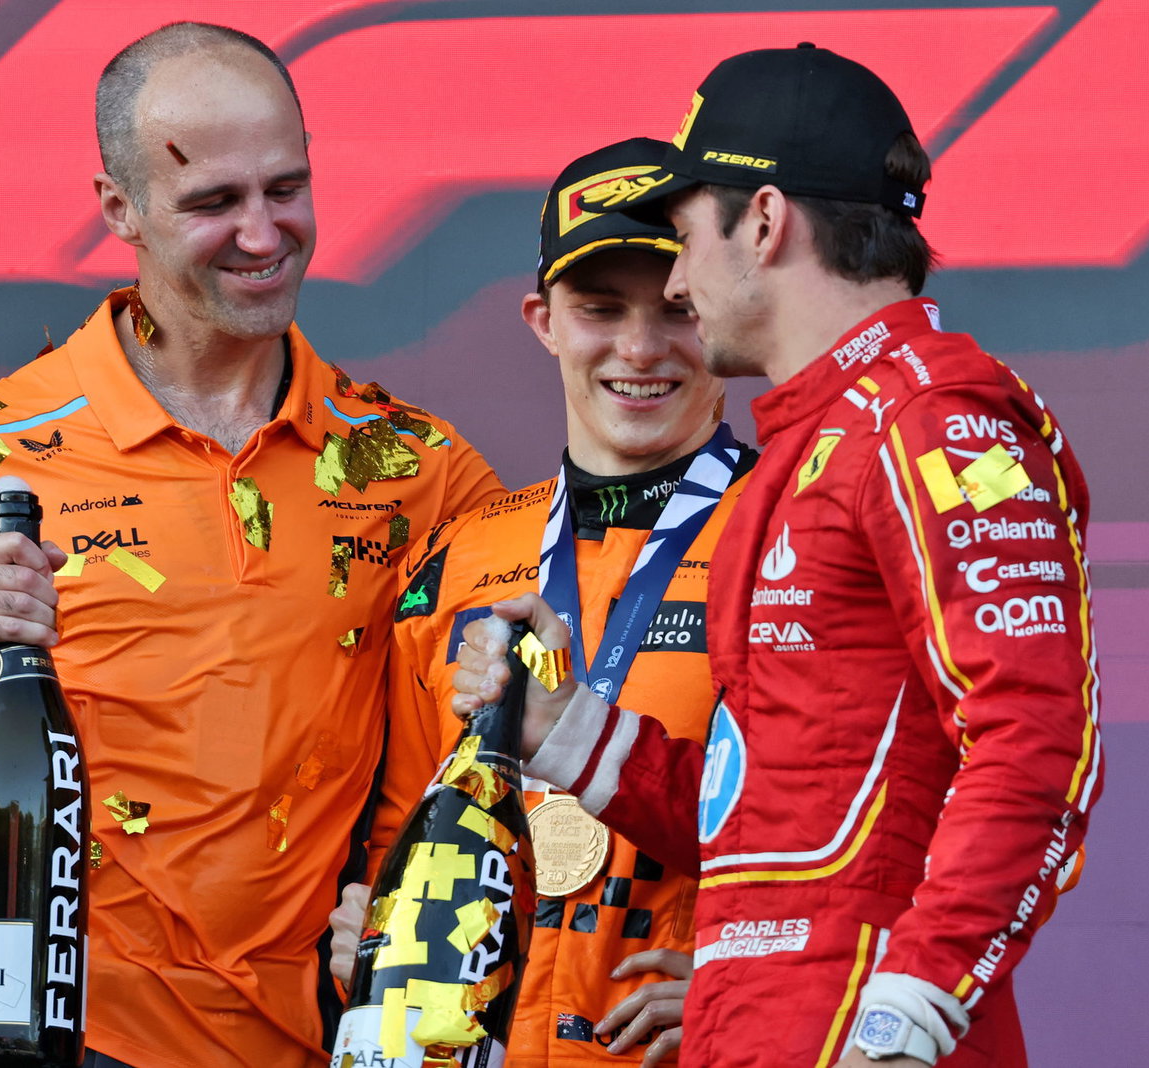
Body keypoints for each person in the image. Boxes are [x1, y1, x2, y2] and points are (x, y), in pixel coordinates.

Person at [0, 22, 502, 1068]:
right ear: (119, 210)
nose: (263, 232)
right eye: (214, 201)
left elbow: (497, 762)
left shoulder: (418, 471)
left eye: (286, 188)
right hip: (22, 1040)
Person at [451, 45, 1100, 1068]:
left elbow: (1037, 740)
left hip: (857, 1035)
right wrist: (567, 731)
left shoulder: (934, 422)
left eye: (682, 240)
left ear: (762, 222)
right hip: (764, 1026)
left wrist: (912, 1006)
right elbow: (770, 819)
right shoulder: (805, 451)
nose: (676, 279)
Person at [328, 138, 758, 1067]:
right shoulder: (458, 559)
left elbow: (872, 828)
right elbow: (405, 833)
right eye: (600, 308)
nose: (639, 349)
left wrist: (765, 983)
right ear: (544, 321)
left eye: (677, 309)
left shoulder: (800, 534)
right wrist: (371, 928)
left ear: (726, 311)